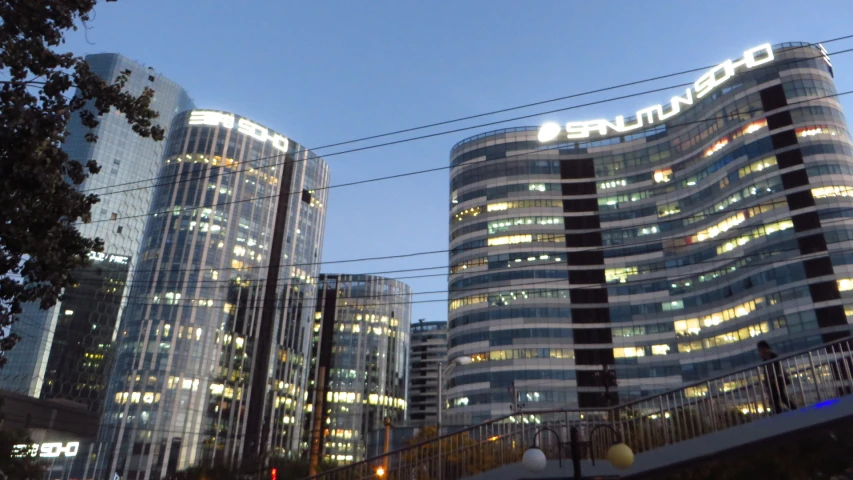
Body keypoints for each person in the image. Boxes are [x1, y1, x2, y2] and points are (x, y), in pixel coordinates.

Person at [757, 340, 797, 412]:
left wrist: (771, 377)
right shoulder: (767, 358)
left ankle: (789, 410)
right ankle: (790, 410)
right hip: (773, 380)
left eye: (760, 349)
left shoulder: (771, 356)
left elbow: (776, 368)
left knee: (779, 397)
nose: (760, 351)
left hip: (776, 379)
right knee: (778, 397)